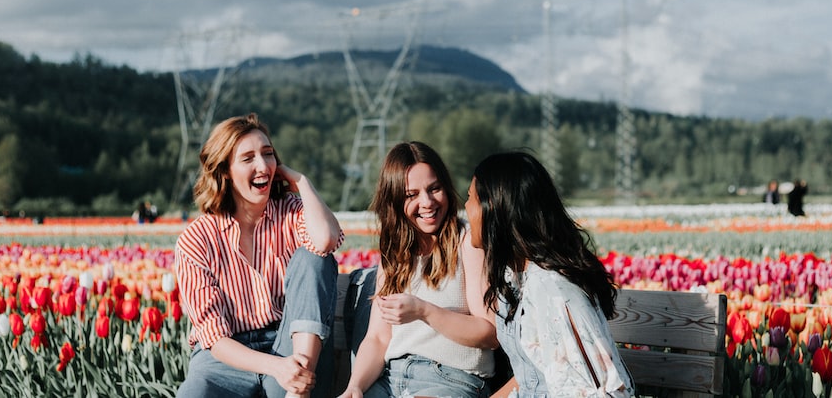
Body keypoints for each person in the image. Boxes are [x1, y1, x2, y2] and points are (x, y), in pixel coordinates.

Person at [174, 113, 344, 398]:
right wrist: (276, 368)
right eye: (248, 158)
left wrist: (301, 181)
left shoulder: (290, 211)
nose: (263, 165)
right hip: (226, 361)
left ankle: (298, 391)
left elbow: (326, 241)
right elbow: (214, 338)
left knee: (313, 257)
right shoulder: (197, 239)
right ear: (225, 170)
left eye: (268, 154)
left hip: (291, 345)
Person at [466, 151, 635, 398]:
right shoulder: (517, 278)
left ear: (493, 206)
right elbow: (531, 376)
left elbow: (592, 391)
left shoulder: (552, 290)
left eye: (470, 198)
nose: (466, 207)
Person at [337, 141, 497, 398]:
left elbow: (490, 332)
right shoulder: (396, 252)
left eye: (435, 189)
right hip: (391, 380)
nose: (427, 202)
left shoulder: (466, 239)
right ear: (394, 201)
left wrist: (424, 311)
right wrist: (355, 387)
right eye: (411, 195)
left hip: (450, 379)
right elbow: (378, 339)